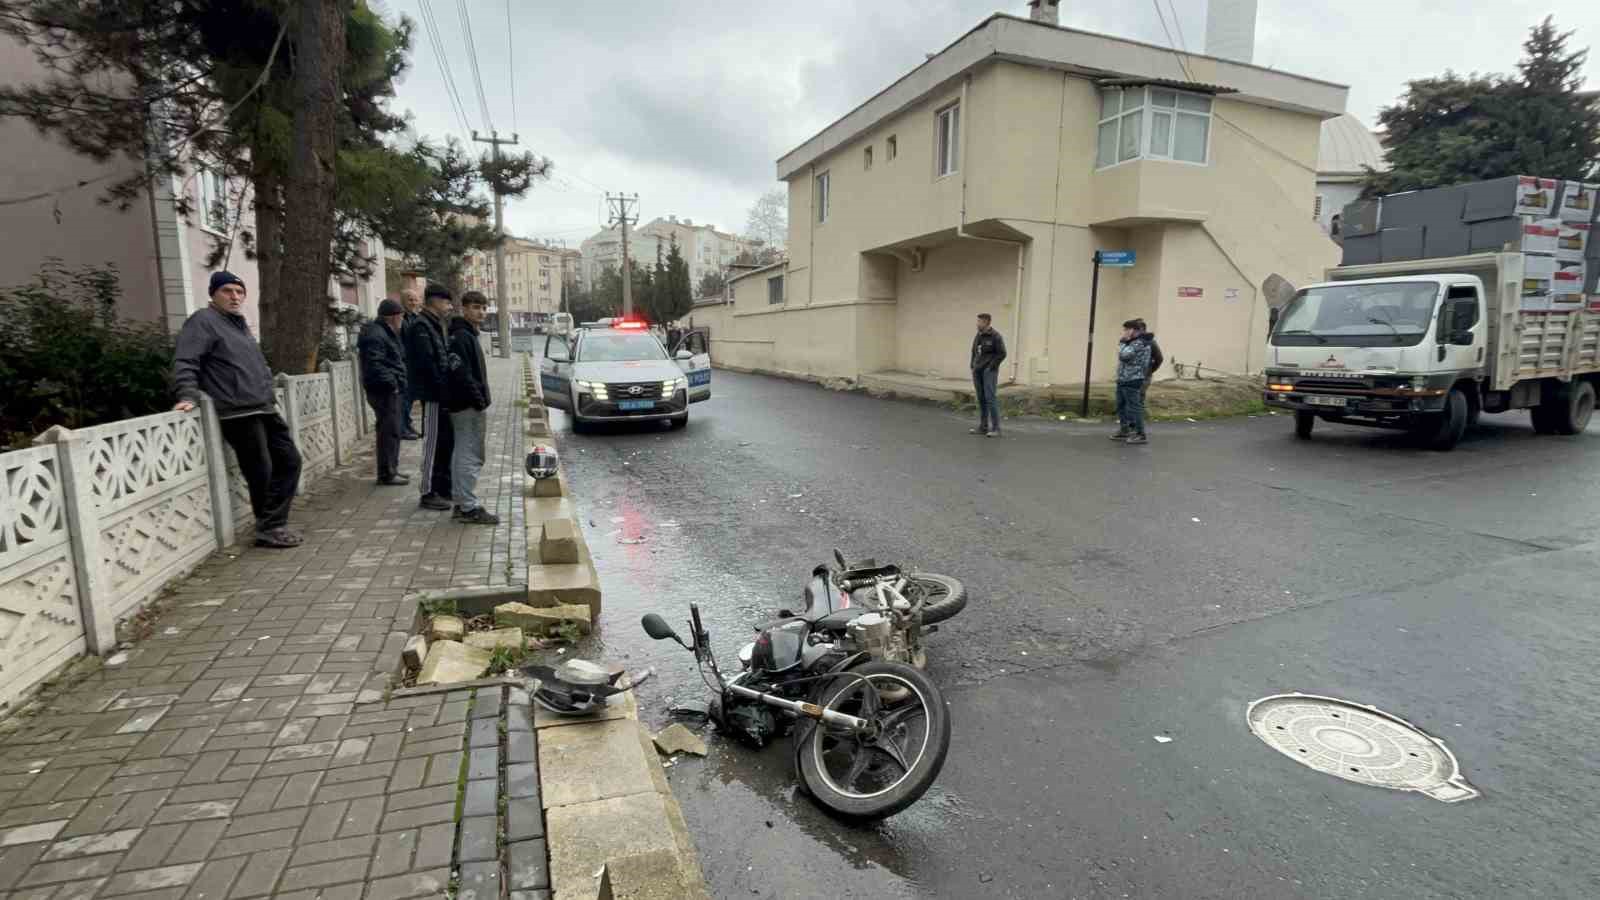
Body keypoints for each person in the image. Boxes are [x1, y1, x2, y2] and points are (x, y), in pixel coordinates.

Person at [173, 271, 303, 548]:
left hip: (262, 406)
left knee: (290, 460)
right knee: (261, 470)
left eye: (239, 292)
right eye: (227, 291)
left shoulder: (238, 324)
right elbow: (186, 360)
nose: (234, 297)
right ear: (213, 294)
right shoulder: (203, 322)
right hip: (236, 410)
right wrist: (187, 393)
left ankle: (273, 521)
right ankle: (269, 527)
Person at [446, 292, 499, 525]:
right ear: (464, 309)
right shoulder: (461, 336)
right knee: (470, 454)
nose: (481, 312)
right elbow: (461, 373)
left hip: (465, 403)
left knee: (463, 452)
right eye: (476, 307)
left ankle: (461, 503)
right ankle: (468, 507)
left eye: (484, 308)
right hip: (466, 404)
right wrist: (478, 399)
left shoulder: (466, 334)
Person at [405, 283, 458, 510]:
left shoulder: (435, 324)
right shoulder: (421, 326)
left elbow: (442, 357)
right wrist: (441, 387)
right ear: (434, 301)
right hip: (433, 395)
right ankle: (427, 492)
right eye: (446, 301)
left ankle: (443, 487)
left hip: (443, 393)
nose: (450, 306)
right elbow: (427, 363)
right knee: (433, 443)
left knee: (445, 443)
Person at [358, 299, 410, 486]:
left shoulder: (383, 332)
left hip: (387, 389)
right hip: (384, 391)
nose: (402, 320)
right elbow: (375, 364)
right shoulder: (376, 334)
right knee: (389, 431)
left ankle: (391, 470)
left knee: (392, 430)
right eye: (401, 316)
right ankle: (387, 473)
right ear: (394, 317)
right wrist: (393, 384)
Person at [1112, 319, 1153, 445]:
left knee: (1134, 408)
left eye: (1126, 329)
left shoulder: (1140, 343)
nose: (1124, 332)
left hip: (1133, 379)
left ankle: (1141, 434)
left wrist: (1123, 342)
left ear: (1133, 330)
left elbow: (1124, 355)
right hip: (1123, 378)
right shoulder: (1132, 342)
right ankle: (1125, 430)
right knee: (1121, 405)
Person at [969, 313, 1007, 437]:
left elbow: (1002, 353)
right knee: (981, 399)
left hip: (989, 372)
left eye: (979, 321)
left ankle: (996, 428)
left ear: (986, 322)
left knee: (990, 398)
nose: (977, 324)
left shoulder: (995, 336)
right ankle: (983, 427)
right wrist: (973, 365)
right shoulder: (978, 336)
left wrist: (991, 367)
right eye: (977, 321)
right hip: (977, 371)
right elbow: (974, 351)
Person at [399, 290, 423, 439]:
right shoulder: (400, 318)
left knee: (412, 396)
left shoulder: (417, 317)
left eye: (415, 300)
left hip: (415, 363)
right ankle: (403, 428)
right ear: (403, 301)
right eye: (410, 300)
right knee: (405, 398)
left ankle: (407, 424)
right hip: (405, 363)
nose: (413, 303)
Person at [1132, 318, 1164, 407]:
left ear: (1142, 329)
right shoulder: (1130, 341)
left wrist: (1150, 371)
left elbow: (1159, 359)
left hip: (1143, 377)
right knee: (1131, 400)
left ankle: (1138, 419)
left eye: (1135, 328)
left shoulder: (1151, 343)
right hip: (1130, 377)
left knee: (1137, 400)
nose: (1132, 330)